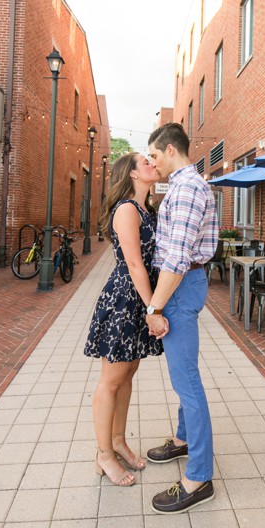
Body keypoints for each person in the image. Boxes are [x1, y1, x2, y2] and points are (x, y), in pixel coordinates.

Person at [143, 122, 220, 514]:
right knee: (183, 375)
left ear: (170, 149)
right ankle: (185, 438)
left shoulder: (188, 188)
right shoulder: (182, 185)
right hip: (182, 284)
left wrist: (155, 307)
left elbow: (177, 257)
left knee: (187, 380)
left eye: (154, 155)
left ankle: (199, 476)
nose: (152, 162)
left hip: (180, 285)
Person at [85, 152, 165, 487]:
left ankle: (118, 440)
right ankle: (103, 454)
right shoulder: (127, 210)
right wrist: (153, 309)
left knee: (128, 373)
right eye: (146, 162)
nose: (153, 165)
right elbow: (134, 265)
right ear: (132, 174)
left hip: (139, 299)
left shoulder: (148, 208)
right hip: (124, 300)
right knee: (111, 379)